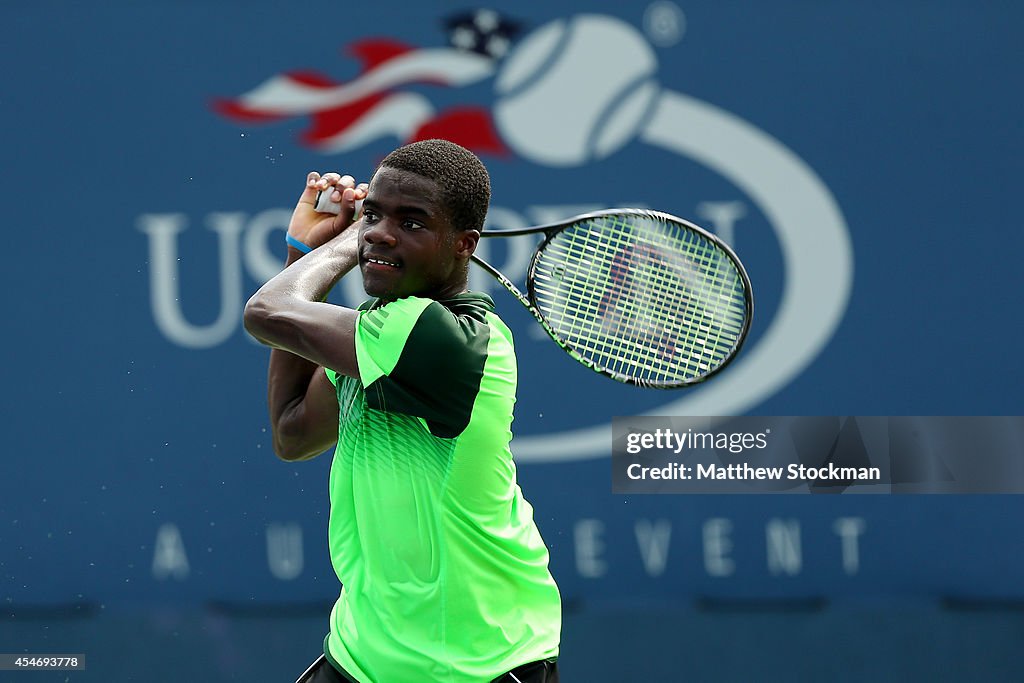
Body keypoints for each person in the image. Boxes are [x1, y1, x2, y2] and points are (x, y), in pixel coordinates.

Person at [243, 139, 562, 683]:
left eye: (411, 223)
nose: (382, 232)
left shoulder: (444, 337)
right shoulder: (376, 334)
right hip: (362, 656)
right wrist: (302, 252)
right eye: (374, 213)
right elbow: (292, 432)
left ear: (463, 244)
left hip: (478, 663)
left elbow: (267, 311)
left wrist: (346, 242)